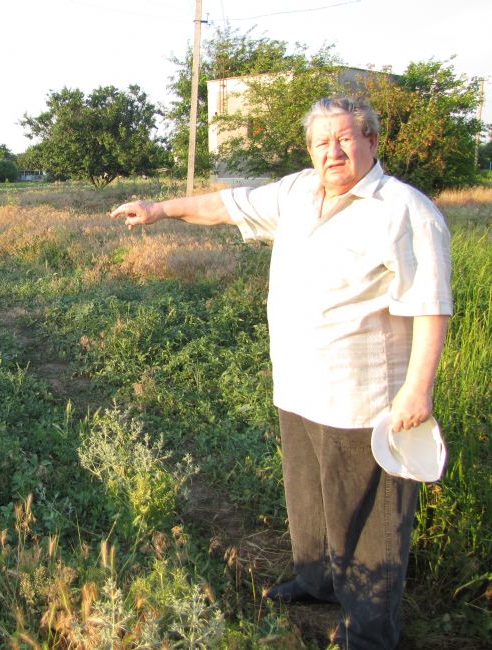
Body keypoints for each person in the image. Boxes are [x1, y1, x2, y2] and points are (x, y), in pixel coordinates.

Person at [109, 96, 452, 649]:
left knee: (367, 520)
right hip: (299, 384)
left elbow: (430, 304)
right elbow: (227, 204)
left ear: (371, 141)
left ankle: (369, 632)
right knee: (309, 497)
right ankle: (316, 582)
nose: (332, 151)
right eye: (321, 142)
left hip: (361, 398)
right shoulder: (297, 193)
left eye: (344, 139)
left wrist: (418, 389)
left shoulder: (404, 210)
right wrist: (159, 209)